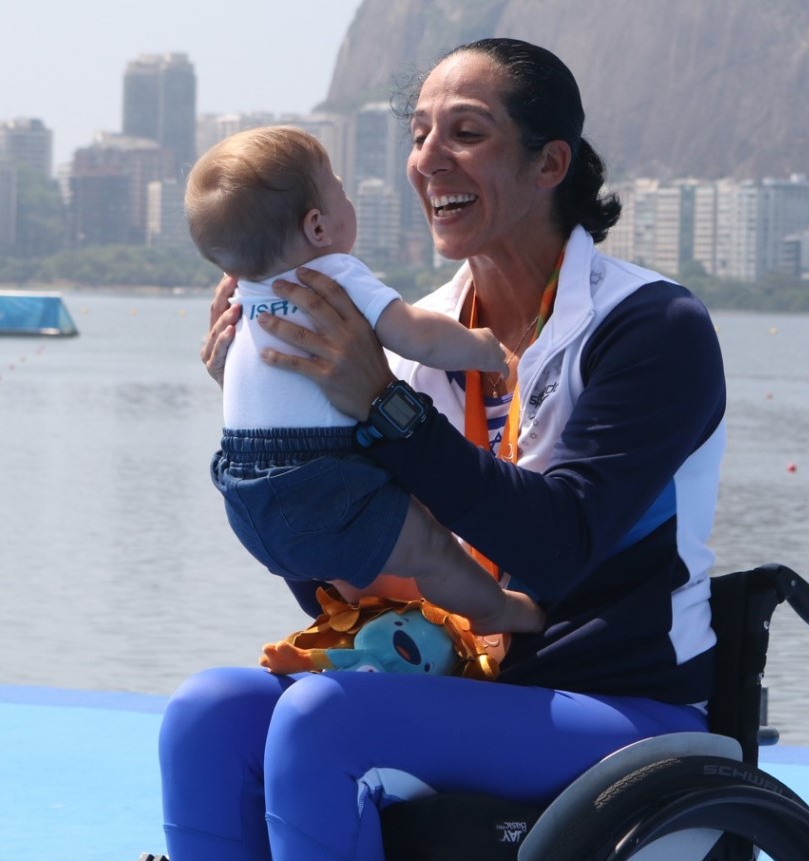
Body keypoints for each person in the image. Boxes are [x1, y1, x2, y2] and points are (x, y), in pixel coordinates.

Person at [159, 38, 727, 861]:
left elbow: (560, 547)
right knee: (209, 714)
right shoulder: (399, 331)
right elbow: (342, 590)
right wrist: (276, 443)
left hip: (620, 705)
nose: (428, 159)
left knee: (323, 717)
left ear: (550, 163)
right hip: (455, 680)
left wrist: (387, 411)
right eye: (419, 133)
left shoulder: (650, 327)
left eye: (465, 132)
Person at [182, 125, 541, 648]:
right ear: (318, 227)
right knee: (433, 549)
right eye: (338, 189)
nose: (347, 191)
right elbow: (417, 336)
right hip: (323, 480)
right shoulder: (336, 273)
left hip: (245, 497)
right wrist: (486, 348)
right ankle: (499, 612)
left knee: (347, 552)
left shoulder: (243, 301)